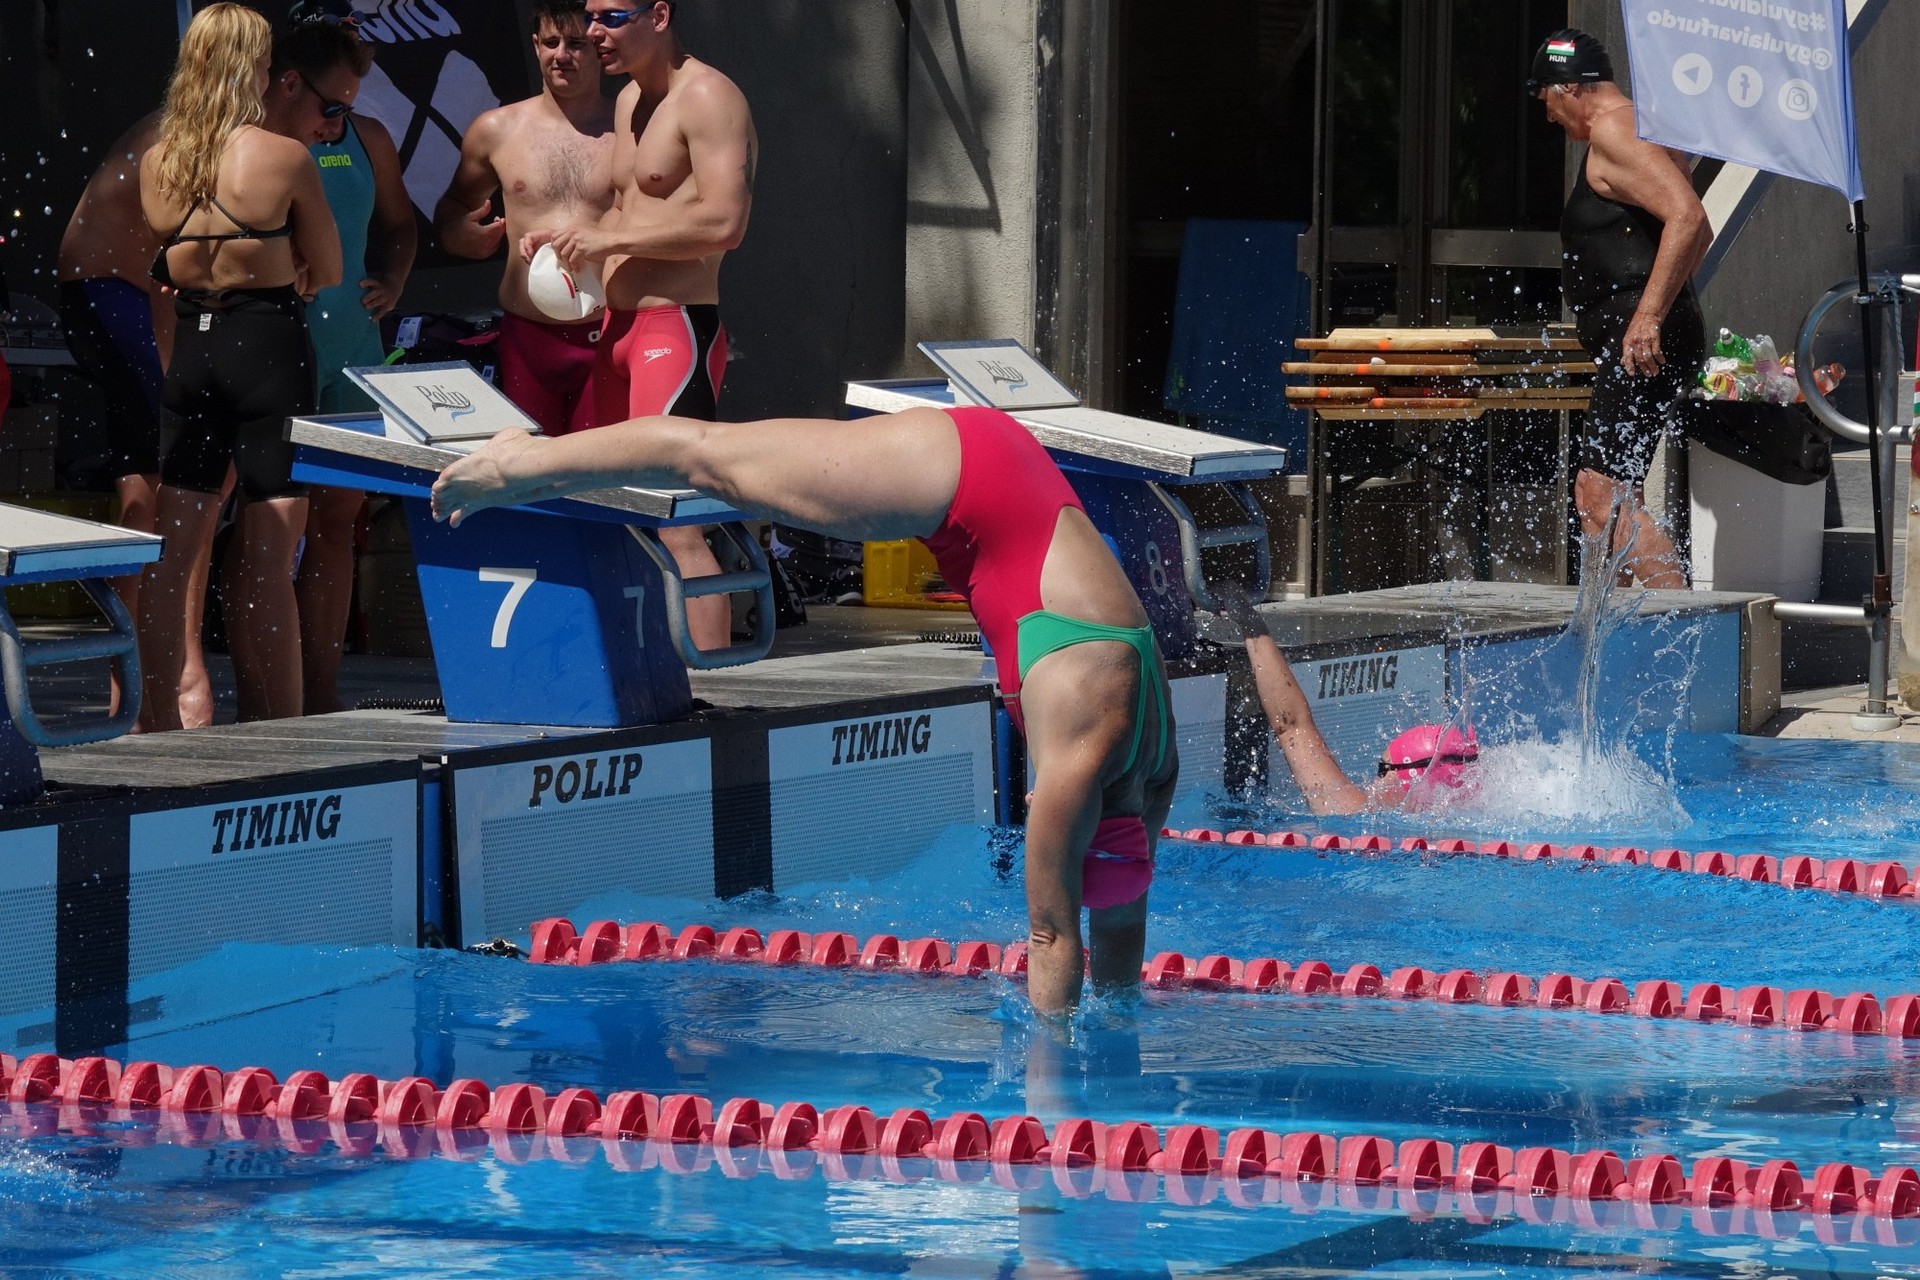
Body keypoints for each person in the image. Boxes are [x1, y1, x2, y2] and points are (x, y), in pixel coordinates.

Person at [431, 405, 1179, 1018]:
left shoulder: (1154, 764)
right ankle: (518, 463)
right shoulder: (1074, 760)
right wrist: (1053, 1122)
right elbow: (1052, 939)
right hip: (961, 473)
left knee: (717, 465)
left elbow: (1119, 933)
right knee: (708, 460)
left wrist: (1119, 1046)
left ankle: (530, 457)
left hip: (1003, 478)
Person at [524, 0, 756, 654]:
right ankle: (640, 671)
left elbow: (725, 223)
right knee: (611, 504)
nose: (594, 32)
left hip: (672, 330)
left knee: (676, 522)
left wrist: (609, 241)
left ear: (658, 14)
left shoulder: (709, 97)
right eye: (590, 17)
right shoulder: (630, 101)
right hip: (617, 330)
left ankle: (712, 680)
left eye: (612, 17)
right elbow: (632, 215)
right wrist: (570, 238)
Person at [136, 2, 342, 730]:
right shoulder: (283, 158)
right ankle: (282, 731)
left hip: (195, 353)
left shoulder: (158, 163)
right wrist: (287, 265)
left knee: (173, 556)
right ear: (252, 68)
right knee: (269, 560)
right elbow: (332, 268)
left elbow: (167, 266)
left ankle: (159, 722)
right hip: (268, 351)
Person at [266, 4, 417, 714]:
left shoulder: (369, 138)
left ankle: (321, 694)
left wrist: (393, 282)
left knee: (335, 525)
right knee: (270, 524)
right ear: (291, 81)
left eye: (345, 109)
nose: (336, 120)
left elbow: (401, 224)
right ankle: (270, 699)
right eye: (330, 106)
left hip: (353, 350)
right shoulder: (256, 141)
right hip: (278, 347)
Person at [1533, 29, 1710, 589]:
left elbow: (1689, 219)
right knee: (1614, 495)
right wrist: (1666, 311)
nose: (1548, 114)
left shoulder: (1615, 129)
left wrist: (1650, 316)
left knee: (1599, 495)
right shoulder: (1639, 128)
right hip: (1646, 336)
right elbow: (1696, 234)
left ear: (1569, 86)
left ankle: (1682, 625)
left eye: (1546, 97)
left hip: (1643, 338)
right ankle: (1613, 628)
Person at [56, 113, 195, 720]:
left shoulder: (190, 126)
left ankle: (138, 687)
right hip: (112, 290)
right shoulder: (193, 132)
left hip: (114, 291)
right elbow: (176, 267)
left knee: (154, 489)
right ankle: (155, 685)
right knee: (167, 488)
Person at [435, 0, 616, 436]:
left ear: (599, 47)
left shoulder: (630, 127)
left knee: (604, 470)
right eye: (551, 42)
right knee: (527, 467)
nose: (561, 55)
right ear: (535, 46)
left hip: (609, 332)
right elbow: (453, 208)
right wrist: (461, 234)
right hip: (528, 340)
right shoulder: (496, 130)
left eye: (576, 44)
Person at [1217, 587, 1476, 815]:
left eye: (1382, 770)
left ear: (1407, 776)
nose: (1372, 783)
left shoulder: (1351, 814)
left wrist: (1249, 621)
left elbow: (1291, 725)